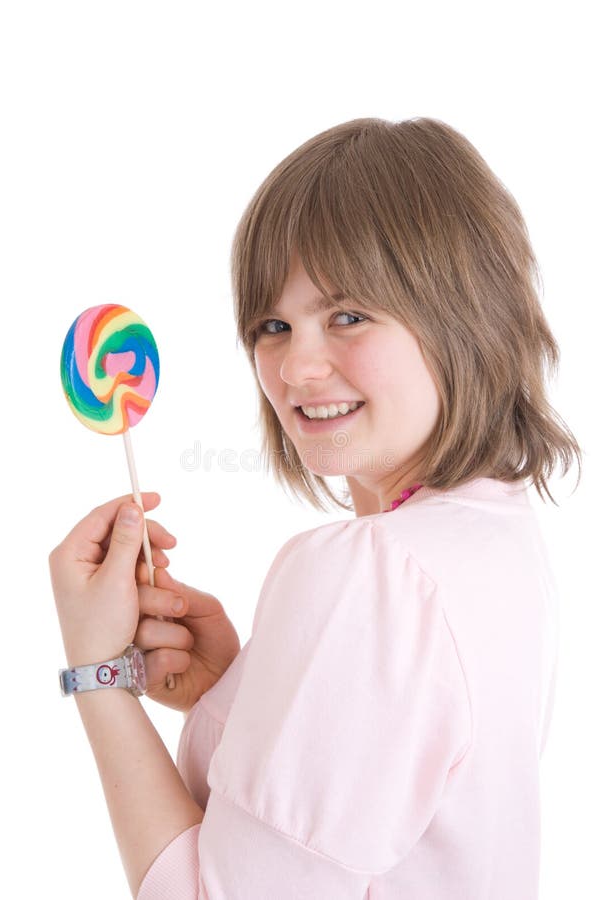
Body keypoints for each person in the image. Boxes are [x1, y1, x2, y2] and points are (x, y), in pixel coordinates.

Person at [50, 117, 582, 899]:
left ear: (463, 314)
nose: (296, 367)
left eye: (348, 315)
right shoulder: (498, 534)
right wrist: (239, 687)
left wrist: (95, 674)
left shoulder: (378, 572)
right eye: (272, 325)